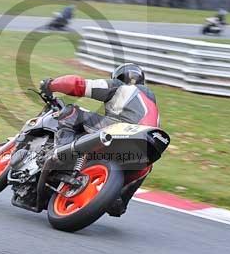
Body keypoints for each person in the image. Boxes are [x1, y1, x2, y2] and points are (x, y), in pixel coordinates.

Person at [39, 63, 159, 216]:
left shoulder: (121, 87)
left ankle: (61, 154)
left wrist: (50, 84)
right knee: (146, 166)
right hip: (145, 146)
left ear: (118, 76)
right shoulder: (151, 102)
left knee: (71, 112)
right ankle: (119, 199)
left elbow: (78, 85)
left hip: (123, 130)